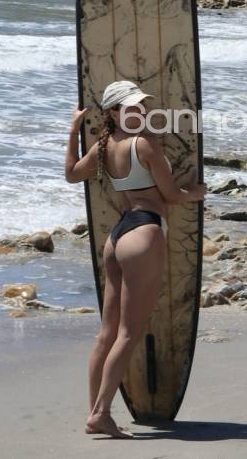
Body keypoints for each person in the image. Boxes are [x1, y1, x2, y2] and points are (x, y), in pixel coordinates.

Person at [64, 79, 206, 438]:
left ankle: (95, 413)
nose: (140, 112)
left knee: (107, 333)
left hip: (117, 236)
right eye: (131, 107)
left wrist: (73, 130)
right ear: (114, 113)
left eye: (142, 106)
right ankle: (100, 414)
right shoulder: (145, 143)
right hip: (144, 232)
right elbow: (170, 195)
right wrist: (195, 193)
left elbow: (71, 175)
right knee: (128, 334)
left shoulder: (104, 146)